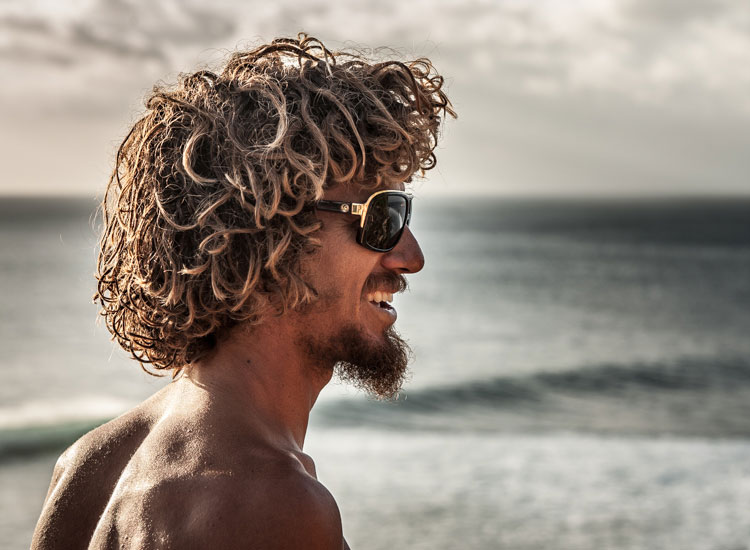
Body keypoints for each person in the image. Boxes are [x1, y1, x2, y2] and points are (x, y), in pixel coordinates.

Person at [31, 33, 454, 549]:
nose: (411, 257)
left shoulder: (84, 468)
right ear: (264, 231)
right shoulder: (272, 503)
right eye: (381, 216)